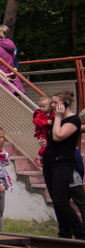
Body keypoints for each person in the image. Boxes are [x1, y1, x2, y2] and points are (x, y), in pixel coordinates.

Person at [42, 91, 85, 239]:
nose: (52, 105)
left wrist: (58, 117)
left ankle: (80, 233)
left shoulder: (73, 120)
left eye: (55, 102)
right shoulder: (57, 119)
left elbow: (58, 136)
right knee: (57, 201)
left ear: (65, 103)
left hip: (63, 164)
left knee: (61, 202)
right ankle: (64, 233)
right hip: (50, 163)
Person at [0, 24, 20, 94]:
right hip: (14, 80)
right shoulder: (11, 47)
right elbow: (15, 61)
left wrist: (3, 74)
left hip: (0, 81)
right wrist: (13, 71)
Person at [33, 95, 53, 166]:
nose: (41, 108)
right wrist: (46, 122)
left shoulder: (47, 114)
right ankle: (39, 157)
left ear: (50, 107)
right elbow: (37, 122)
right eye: (40, 106)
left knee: (47, 146)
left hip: (45, 133)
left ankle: (42, 158)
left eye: (43, 107)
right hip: (41, 133)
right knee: (45, 146)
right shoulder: (39, 114)